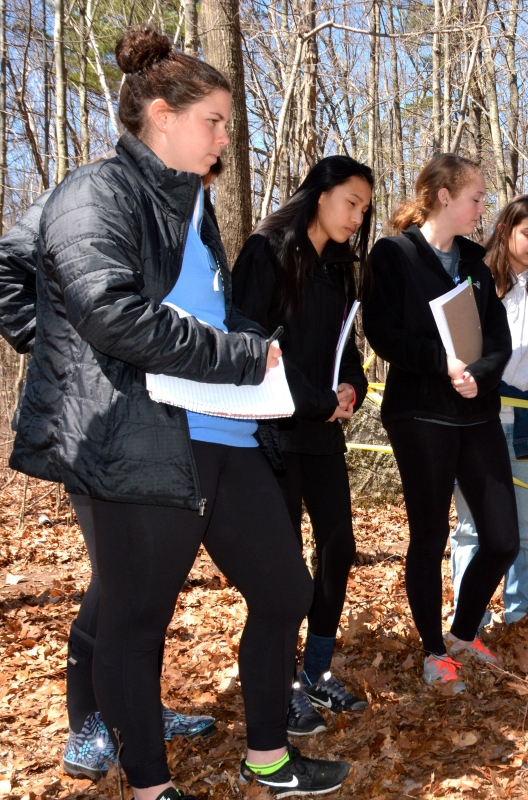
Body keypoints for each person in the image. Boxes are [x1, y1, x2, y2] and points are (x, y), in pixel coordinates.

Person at [9, 26, 348, 799]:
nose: (226, 135)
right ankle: (150, 788)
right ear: (161, 115)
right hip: (137, 440)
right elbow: (100, 307)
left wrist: (247, 348)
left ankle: (268, 756)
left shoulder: (192, 199)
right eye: (216, 121)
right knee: (136, 620)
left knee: (285, 590)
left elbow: (193, 307)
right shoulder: (98, 191)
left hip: (224, 429)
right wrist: (59, 351)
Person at [0, 171, 229, 781]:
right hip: (96, 418)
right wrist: (55, 342)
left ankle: (138, 709)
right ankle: (86, 725)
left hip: (158, 419)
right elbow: (9, 267)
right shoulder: (97, 192)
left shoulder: (198, 211)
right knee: (115, 584)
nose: (211, 160)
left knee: (145, 587)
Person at [362, 154, 519, 693]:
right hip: (420, 414)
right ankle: (434, 651)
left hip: (476, 414)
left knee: (503, 537)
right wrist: (442, 364)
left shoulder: (477, 261)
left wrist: (480, 373)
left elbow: (499, 341)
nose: (482, 207)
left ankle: (463, 631)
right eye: (475, 197)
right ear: (444, 197)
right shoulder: (394, 255)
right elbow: (381, 331)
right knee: (428, 537)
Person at [232, 156, 373, 735]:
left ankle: (316, 667)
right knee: (283, 567)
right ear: (320, 194)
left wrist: (354, 386)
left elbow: (348, 348)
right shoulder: (265, 252)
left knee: (338, 545)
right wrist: (316, 397)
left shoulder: (341, 268)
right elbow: (248, 345)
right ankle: (282, 683)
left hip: (322, 432)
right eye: (351, 202)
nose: (358, 217)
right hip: (271, 432)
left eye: (364, 208)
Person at [449, 195, 528, 629]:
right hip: (476, 419)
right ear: (505, 230)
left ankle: (522, 609)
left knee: (527, 526)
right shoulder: (473, 280)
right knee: (472, 526)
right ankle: (471, 613)